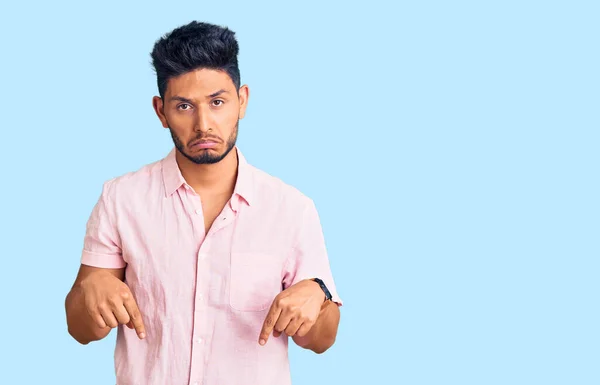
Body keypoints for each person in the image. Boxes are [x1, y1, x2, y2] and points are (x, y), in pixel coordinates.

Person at [64, 21, 342, 385]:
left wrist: (317, 296)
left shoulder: (291, 208)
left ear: (241, 101)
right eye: (184, 106)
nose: (204, 124)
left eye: (217, 102)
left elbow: (322, 340)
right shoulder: (121, 199)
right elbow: (80, 329)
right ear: (160, 111)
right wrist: (90, 291)